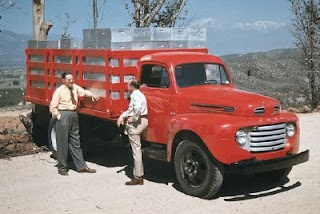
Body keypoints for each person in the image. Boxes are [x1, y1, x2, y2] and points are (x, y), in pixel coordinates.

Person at [49, 71, 99, 176]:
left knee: (76, 141)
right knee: (62, 143)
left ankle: (81, 166)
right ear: (63, 81)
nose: (71, 81)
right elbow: (53, 106)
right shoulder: (59, 91)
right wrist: (58, 116)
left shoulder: (75, 87)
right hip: (63, 115)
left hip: (73, 114)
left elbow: (84, 92)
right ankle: (62, 167)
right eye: (69, 80)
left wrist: (92, 95)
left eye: (72, 79)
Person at [117, 79, 148, 185]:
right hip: (144, 120)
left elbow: (137, 108)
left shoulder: (134, 95)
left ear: (131, 86)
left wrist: (133, 118)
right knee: (137, 148)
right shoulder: (140, 94)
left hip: (137, 122)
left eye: (128, 85)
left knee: (136, 150)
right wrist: (123, 115)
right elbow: (132, 109)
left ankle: (138, 176)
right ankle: (139, 174)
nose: (127, 87)